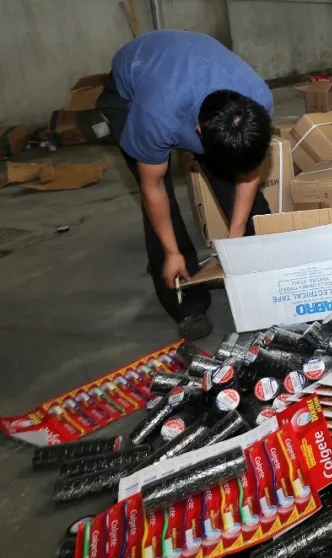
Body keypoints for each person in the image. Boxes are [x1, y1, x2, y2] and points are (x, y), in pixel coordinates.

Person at [97, 30, 274, 341]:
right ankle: (188, 303)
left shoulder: (257, 100)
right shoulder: (156, 117)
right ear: (197, 133)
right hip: (131, 91)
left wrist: (235, 237)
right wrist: (171, 250)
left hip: (189, 75)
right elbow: (153, 190)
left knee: (240, 195)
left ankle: (262, 276)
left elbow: (248, 173)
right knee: (157, 197)